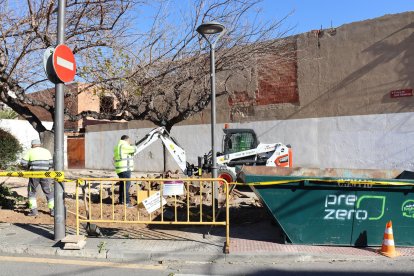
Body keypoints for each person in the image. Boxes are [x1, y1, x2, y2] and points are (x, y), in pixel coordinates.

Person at [20, 139, 54, 217]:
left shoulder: (30, 151)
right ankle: (53, 211)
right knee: (49, 192)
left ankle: (34, 211)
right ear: (40, 144)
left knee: (31, 192)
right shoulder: (46, 151)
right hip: (45, 174)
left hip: (34, 174)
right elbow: (51, 163)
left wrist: (27, 168)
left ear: (32, 145)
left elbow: (23, 163)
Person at [113, 135, 138, 207]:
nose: (129, 142)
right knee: (126, 186)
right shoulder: (124, 145)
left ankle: (121, 201)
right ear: (126, 140)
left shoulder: (117, 146)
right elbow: (134, 149)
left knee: (122, 185)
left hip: (119, 169)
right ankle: (126, 202)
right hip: (125, 169)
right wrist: (133, 146)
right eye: (129, 141)